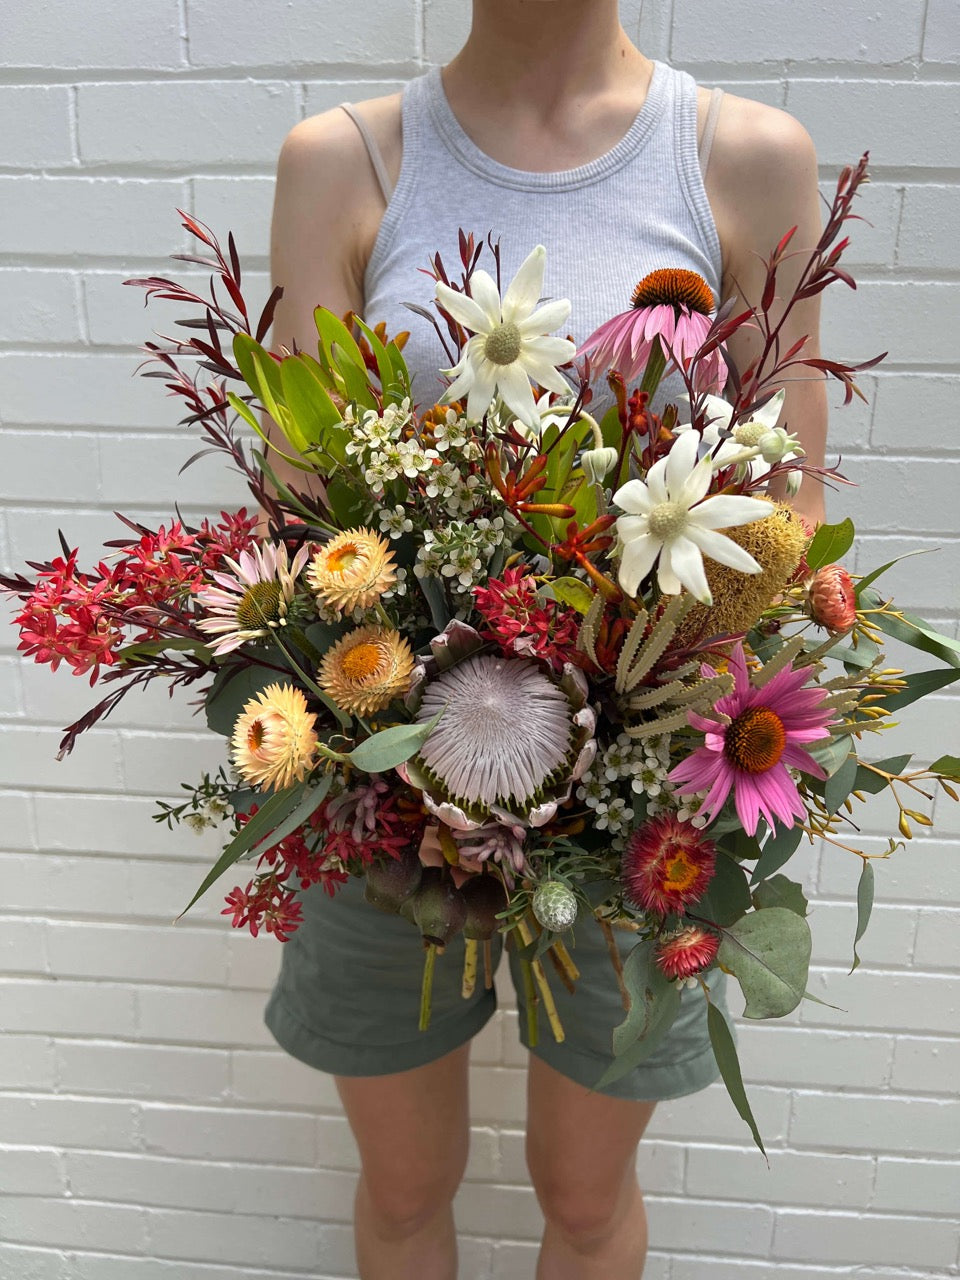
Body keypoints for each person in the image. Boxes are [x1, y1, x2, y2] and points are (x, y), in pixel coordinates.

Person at [255, 3, 828, 1277]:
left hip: (644, 802)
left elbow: (791, 506)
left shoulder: (743, 157)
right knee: (406, 1186)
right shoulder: (341, 161)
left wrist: (659, 702)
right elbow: (300, 507)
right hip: (387, 774)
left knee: (582, 1195)